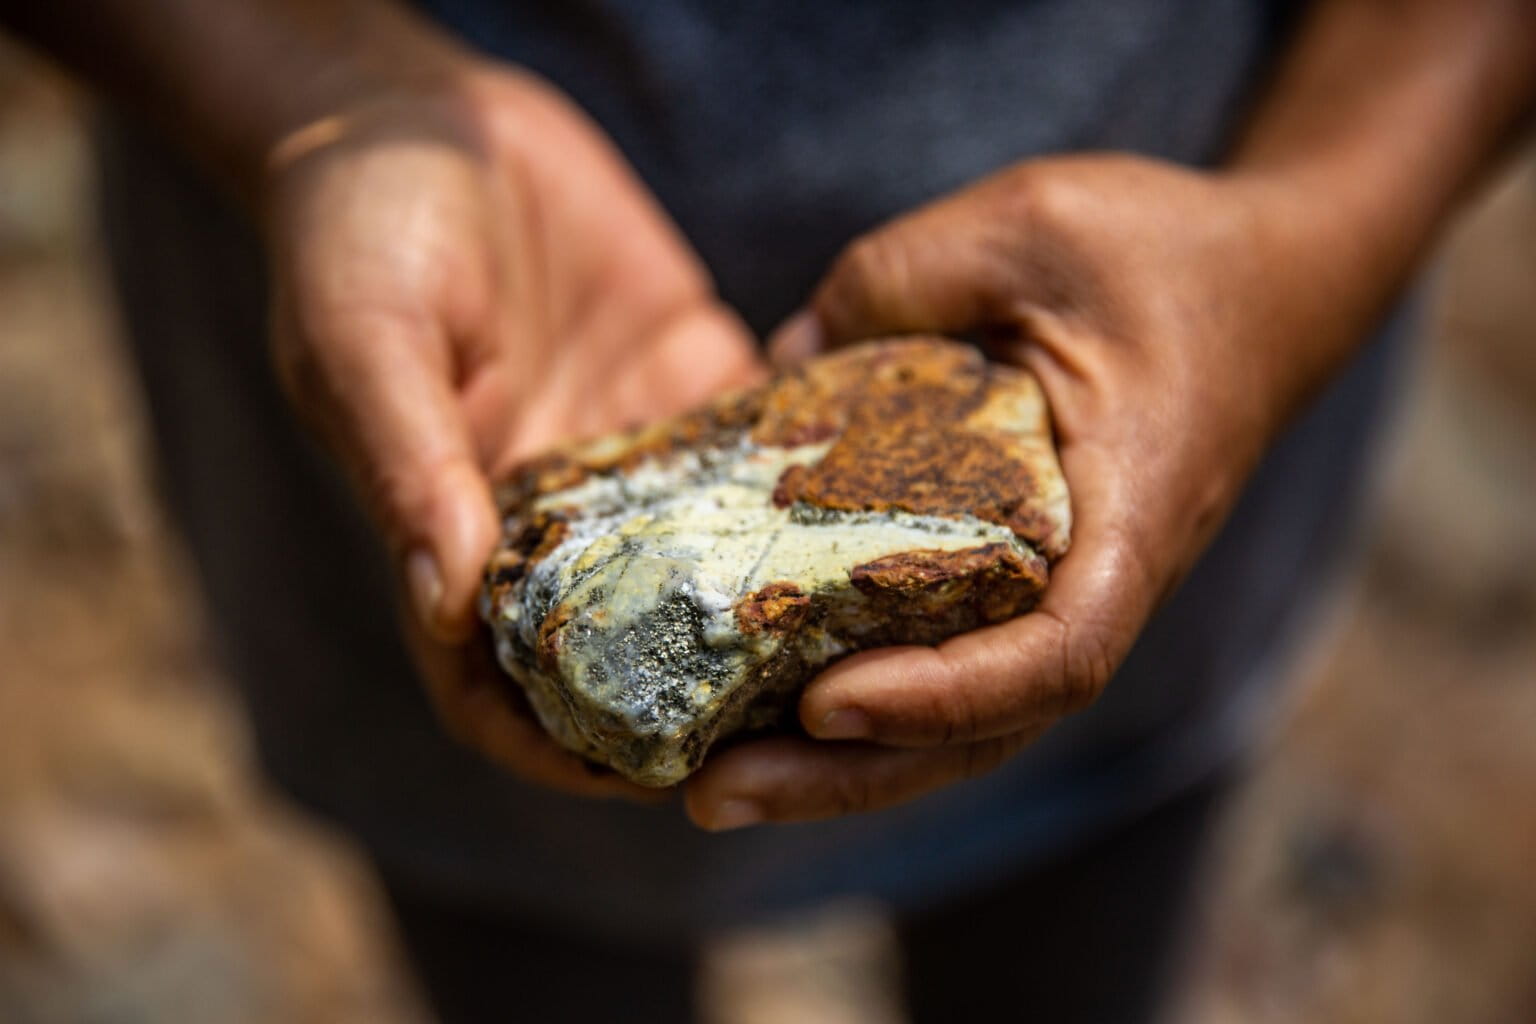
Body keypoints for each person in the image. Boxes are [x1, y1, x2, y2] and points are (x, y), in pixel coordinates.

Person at [3, 1, 1533, 1020]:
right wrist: (303, 84)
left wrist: (1314, 223)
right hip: (440, 400)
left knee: (1077, 928)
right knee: (527, 928)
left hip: (1171, 369)